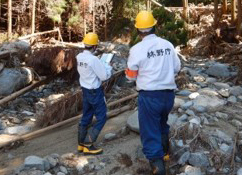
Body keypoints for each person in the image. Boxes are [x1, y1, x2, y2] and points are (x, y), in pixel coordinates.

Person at [125, 11, 181, 175]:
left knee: (149, 131)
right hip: (168, 95)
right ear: (154, 26)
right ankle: (165, 153)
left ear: (138, 30)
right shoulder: (168, 45)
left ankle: (158, 168)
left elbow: (130, 76)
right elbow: (177, 68)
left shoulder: (137, 49)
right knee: (162, 123)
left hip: (149, 96)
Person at [76, 32, 112, 155]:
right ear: (95, 46)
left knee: (86, 116)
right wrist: (107, 67)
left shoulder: (79, 57)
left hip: (85, 90)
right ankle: (89, 144)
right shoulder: (93, 59)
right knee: (102, 117)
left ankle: (81, 144)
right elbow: (104, 76)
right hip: (95, 92)